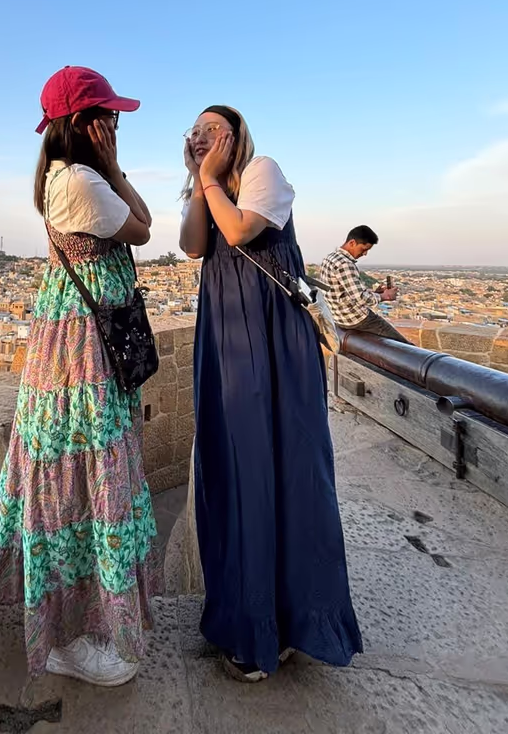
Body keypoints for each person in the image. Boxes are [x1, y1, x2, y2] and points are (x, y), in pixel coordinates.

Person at [0, 66, 159, 686]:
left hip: (80, 337)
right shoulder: (81, 181)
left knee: (82, 468)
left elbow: (139, 221)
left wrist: (113, 169)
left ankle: (77, 623)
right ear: (83, 125)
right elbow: (143, 227)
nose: (116, 125)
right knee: (86, 472)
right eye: (107, 117)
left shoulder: (70, 176)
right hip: (82, 347)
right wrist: (113, 167)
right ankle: (69, 634)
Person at [179, 106, 362, 682]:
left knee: (279, 468)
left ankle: (286, 625)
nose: (202, 136)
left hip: (270, 339)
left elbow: (239, 233)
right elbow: (192, 245)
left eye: (213, 129)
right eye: (197, 130)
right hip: (231, 335)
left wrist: (208, 176)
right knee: (235, 467)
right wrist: (197, 181)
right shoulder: (210, 189)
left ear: (236, 136)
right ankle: (247, 618)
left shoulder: (264, 172)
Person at [320, 226, 411, 344]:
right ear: (352, 243)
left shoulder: (330, 258)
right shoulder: (345, 264)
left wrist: (375, 293)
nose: (365, 254)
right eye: (363, 249)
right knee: (403, 345)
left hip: (339, 317)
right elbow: (360, 297)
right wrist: (386, 296)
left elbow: (344, 292)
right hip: (354, 318)